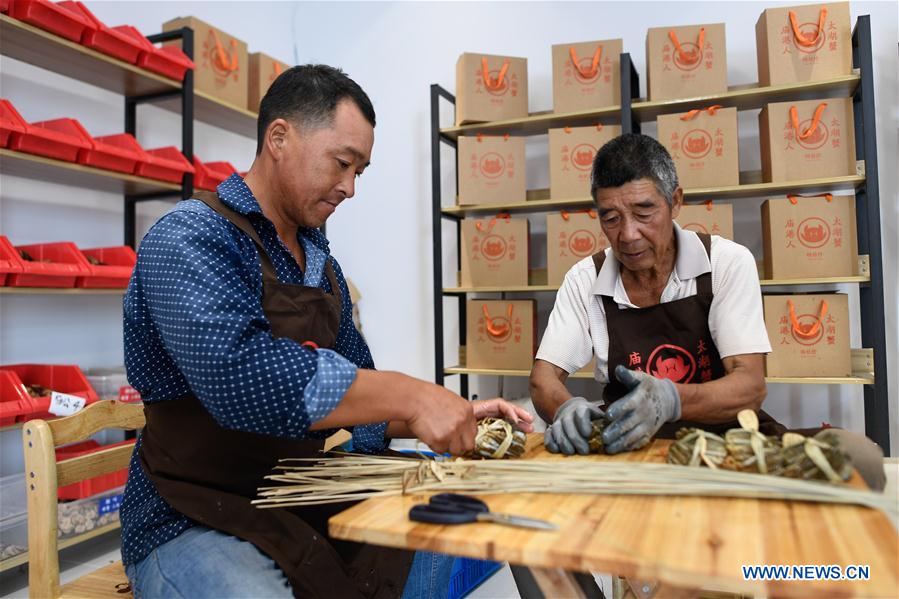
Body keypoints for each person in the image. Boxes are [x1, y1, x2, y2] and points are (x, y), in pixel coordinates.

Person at [120, 64, 533, 599]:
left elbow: (359, 384)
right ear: (279, 138)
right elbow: (241, 378)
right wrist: (412, 394)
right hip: (193, 511)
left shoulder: (317, 259)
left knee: (448, 515)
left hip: (295, 490)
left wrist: (442, 415)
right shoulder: (189, 239)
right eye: (342, 164)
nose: (350, 188)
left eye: (360, 170)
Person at [529, 133, 884, 490]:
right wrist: (565, 408)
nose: (628, 234)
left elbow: (750, 385)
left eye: (644, 212)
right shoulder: (584, 279)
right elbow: (543, 379)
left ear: (676, 201)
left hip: (727, 445)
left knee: (860, 458)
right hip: (630, 451)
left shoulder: (725, 263)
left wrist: (671, 400)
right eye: (611, 218)